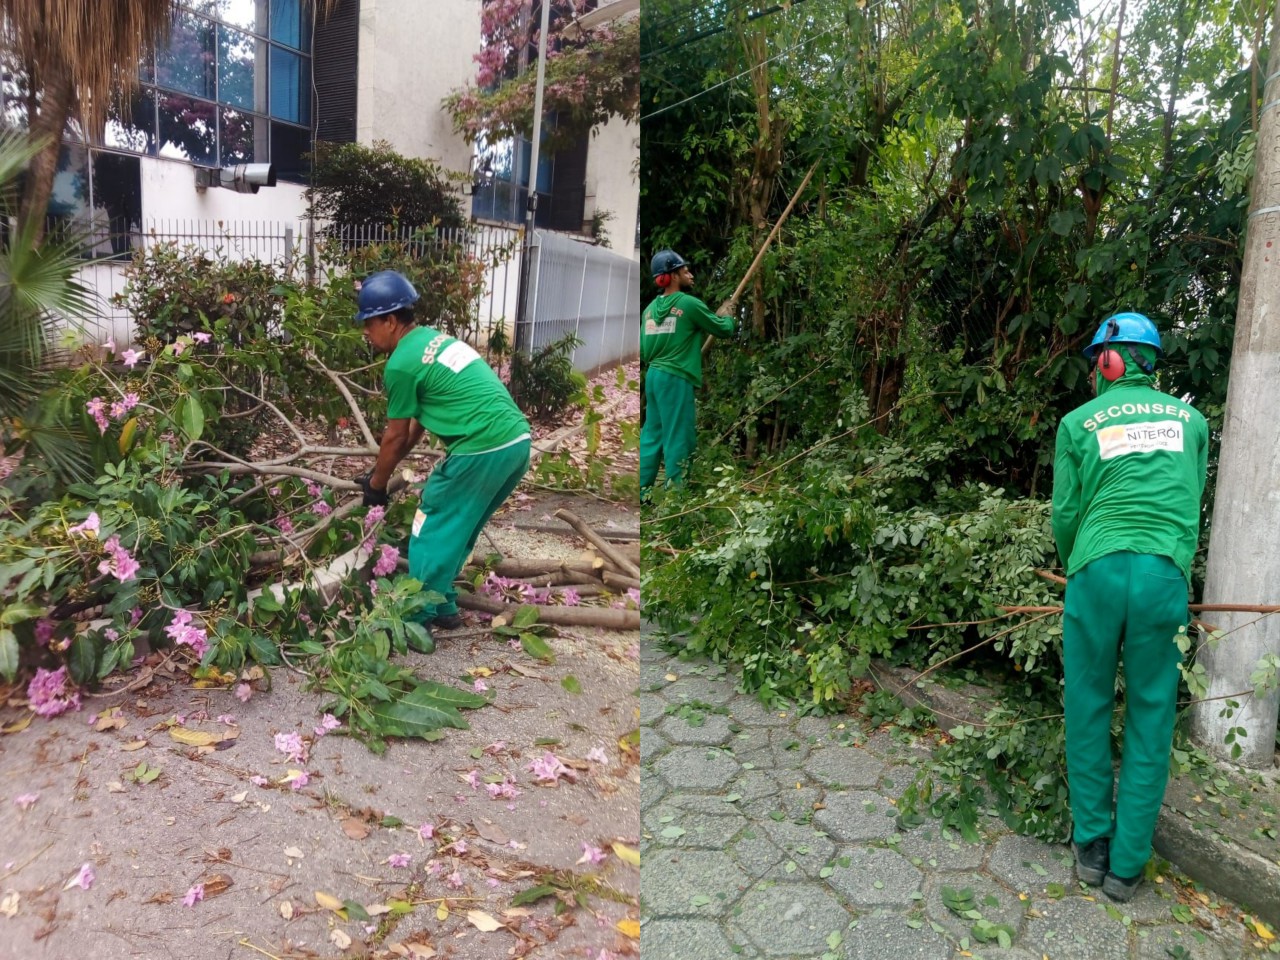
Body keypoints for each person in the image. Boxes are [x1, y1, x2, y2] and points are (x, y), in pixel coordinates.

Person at [1052, 311, 1209, 902]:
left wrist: (1080, 564)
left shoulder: (1077, 422)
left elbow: (1066, 514)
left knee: (1087, 702)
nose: (1095, 368)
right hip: (1162, 575)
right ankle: (1126, 868)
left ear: (1111, 362)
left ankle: (1091, 845)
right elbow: (1189, 504)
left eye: (1098, 359)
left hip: (1096, 568)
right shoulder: (1192, 422)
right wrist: (1170, 571)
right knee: (1151, 714)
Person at [356, 270, 531, 641]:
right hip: (515, 442)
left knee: (431, 520)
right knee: (458, 526)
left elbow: (394, 437)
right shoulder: (431, 341)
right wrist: (386, 469)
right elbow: (415, 429)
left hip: (480, 447)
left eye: (369, 324)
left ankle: (414, 617)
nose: (365, 333)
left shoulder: (401, 363)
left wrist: (376, 484)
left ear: (389, 320)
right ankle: (445, 604)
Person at [639, 250, 736, 497]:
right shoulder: (689, 304)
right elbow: (722, 329)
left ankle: (643, 494)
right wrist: (729, 314)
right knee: (679, 437)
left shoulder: (648, 311)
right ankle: (676, 499)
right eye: (684, 271)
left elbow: (643, 348)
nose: (690, 275)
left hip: (654, 377)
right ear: (672, 276)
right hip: (675, 378)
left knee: (652, 437)